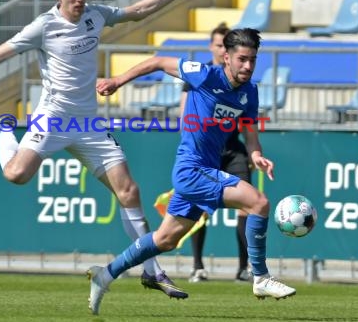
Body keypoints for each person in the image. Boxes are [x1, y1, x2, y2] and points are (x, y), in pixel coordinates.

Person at [0, 0, 203, 300]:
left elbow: (137, 11)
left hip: (88, 123)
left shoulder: (96, 15)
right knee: (16, 175)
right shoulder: (43, 26)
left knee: (129, 191)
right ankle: (4, 131)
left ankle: (153, 271)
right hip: (52, 119)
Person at [89, 28, 295, 315]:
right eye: (242, 59)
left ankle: (106, 274)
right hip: (192, 170)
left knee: (165, 240)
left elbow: (250, 132)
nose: (248, 66)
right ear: (226, 57)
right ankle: (259, 276)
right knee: (258, 203)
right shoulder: (205, 75)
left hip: (205, 171)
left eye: (253, 60)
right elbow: (158, 62)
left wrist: (257, 155)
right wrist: (117, 80)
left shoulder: (250, 92)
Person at [180, 23, 251, 283]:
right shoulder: (200, 77)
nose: (223, 49)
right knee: (199, 210)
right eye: (219, 44)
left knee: (249, 207)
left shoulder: (243, 85)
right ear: (214, 48)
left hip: (233, 150)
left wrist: (254, 153)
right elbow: (184, 116)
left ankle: (244, 269)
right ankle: (197, 266)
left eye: (226, 45)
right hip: (206, 154)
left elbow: (249, 123)